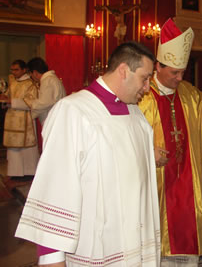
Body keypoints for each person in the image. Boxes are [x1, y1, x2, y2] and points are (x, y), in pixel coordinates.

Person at [15, 42, 162, 266]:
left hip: (136, 246)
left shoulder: (135, 113)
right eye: (144, 78)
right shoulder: (73, 111)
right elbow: (55, 191)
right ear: (123, 70)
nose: (147, 87)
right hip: (98, 250)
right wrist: (52, 258)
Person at [139, 18, 202, 266]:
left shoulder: (188, 93)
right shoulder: (142, 97)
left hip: (187, 175)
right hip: (158, 177)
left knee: (187, 223)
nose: (179, 78)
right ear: (158, 66)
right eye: (173, 72)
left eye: (182, 72)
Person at [0, 60, 39, 178]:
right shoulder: (13, 83)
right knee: (13, 149)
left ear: (24, 70)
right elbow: (8, 97)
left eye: (16, 69)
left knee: (26, 149)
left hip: (25, 120)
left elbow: (32, 102)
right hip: (12, 119)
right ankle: (15, 173)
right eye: (12, 70)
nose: (13, 72)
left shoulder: (30, 84)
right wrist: (4, 100)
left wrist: (11, 101)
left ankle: (29, 171)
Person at [26, 57, 66, 124]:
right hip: (55, 118)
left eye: (30, 74)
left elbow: (45, 102)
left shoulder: (47, 80)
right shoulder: (50, 79)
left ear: (35, 72)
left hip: (52, 120)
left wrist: (30, 103)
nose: (31, 77)